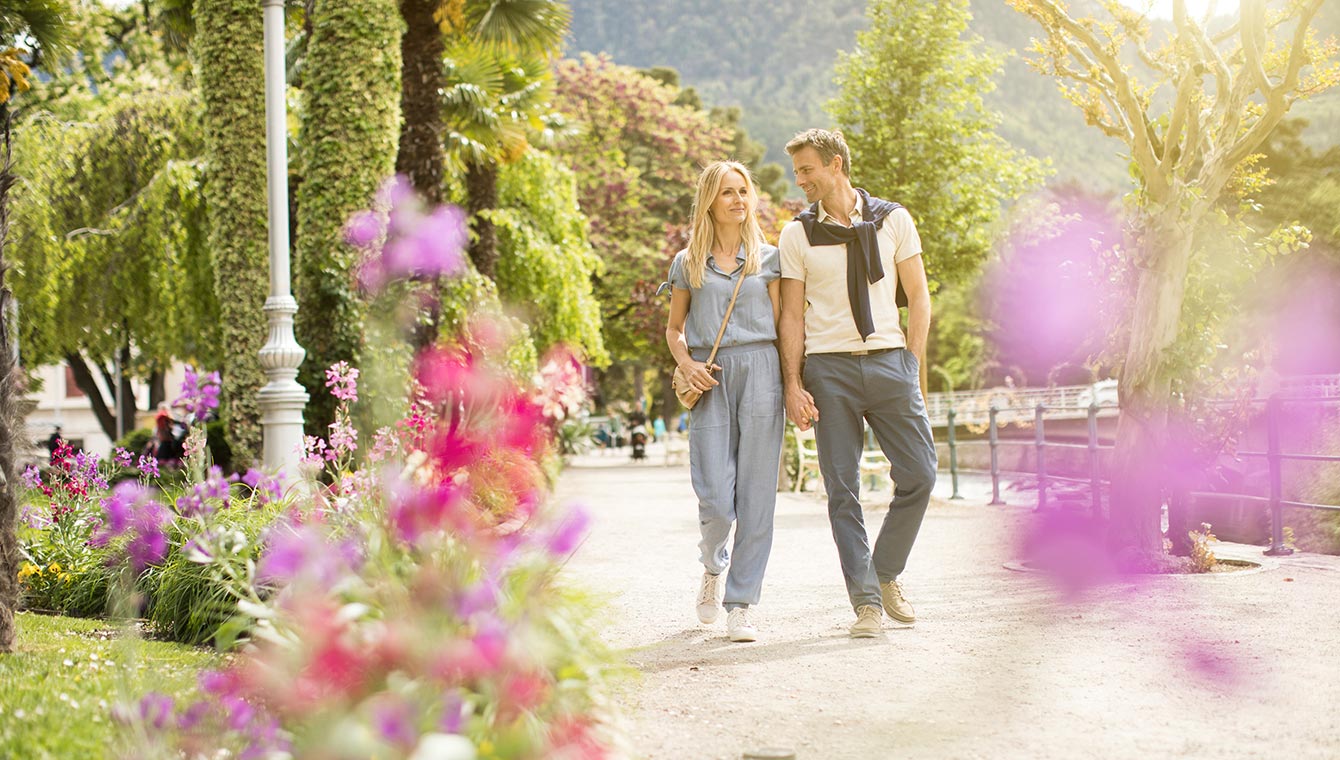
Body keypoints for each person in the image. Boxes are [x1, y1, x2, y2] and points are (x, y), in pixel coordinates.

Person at [778, 128, 937, 639]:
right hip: (829, 371)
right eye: (797, 171)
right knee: (841, 489)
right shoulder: (797, 234)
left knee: (920, 474)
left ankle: (884, 572)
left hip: (890, 361)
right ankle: (867, 605)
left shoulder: (893, 219)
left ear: (837, 164)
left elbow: (918, 295)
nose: (800, 180)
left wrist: (912, 365)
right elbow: (791, 318)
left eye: (808, 170)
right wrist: (793, 384)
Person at [663, 160, 784, 643]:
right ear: (709, 201)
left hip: (763, 370)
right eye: (727, 192)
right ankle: (712, 567)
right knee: (715, 496)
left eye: (744, 191)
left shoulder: (770, 259)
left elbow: (786, 325)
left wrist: (794, 381)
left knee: (757, 496)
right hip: (709, 376)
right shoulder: (687, 262)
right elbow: (675, 329)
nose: (738, 199)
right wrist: (687, 363)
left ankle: (741, 603)